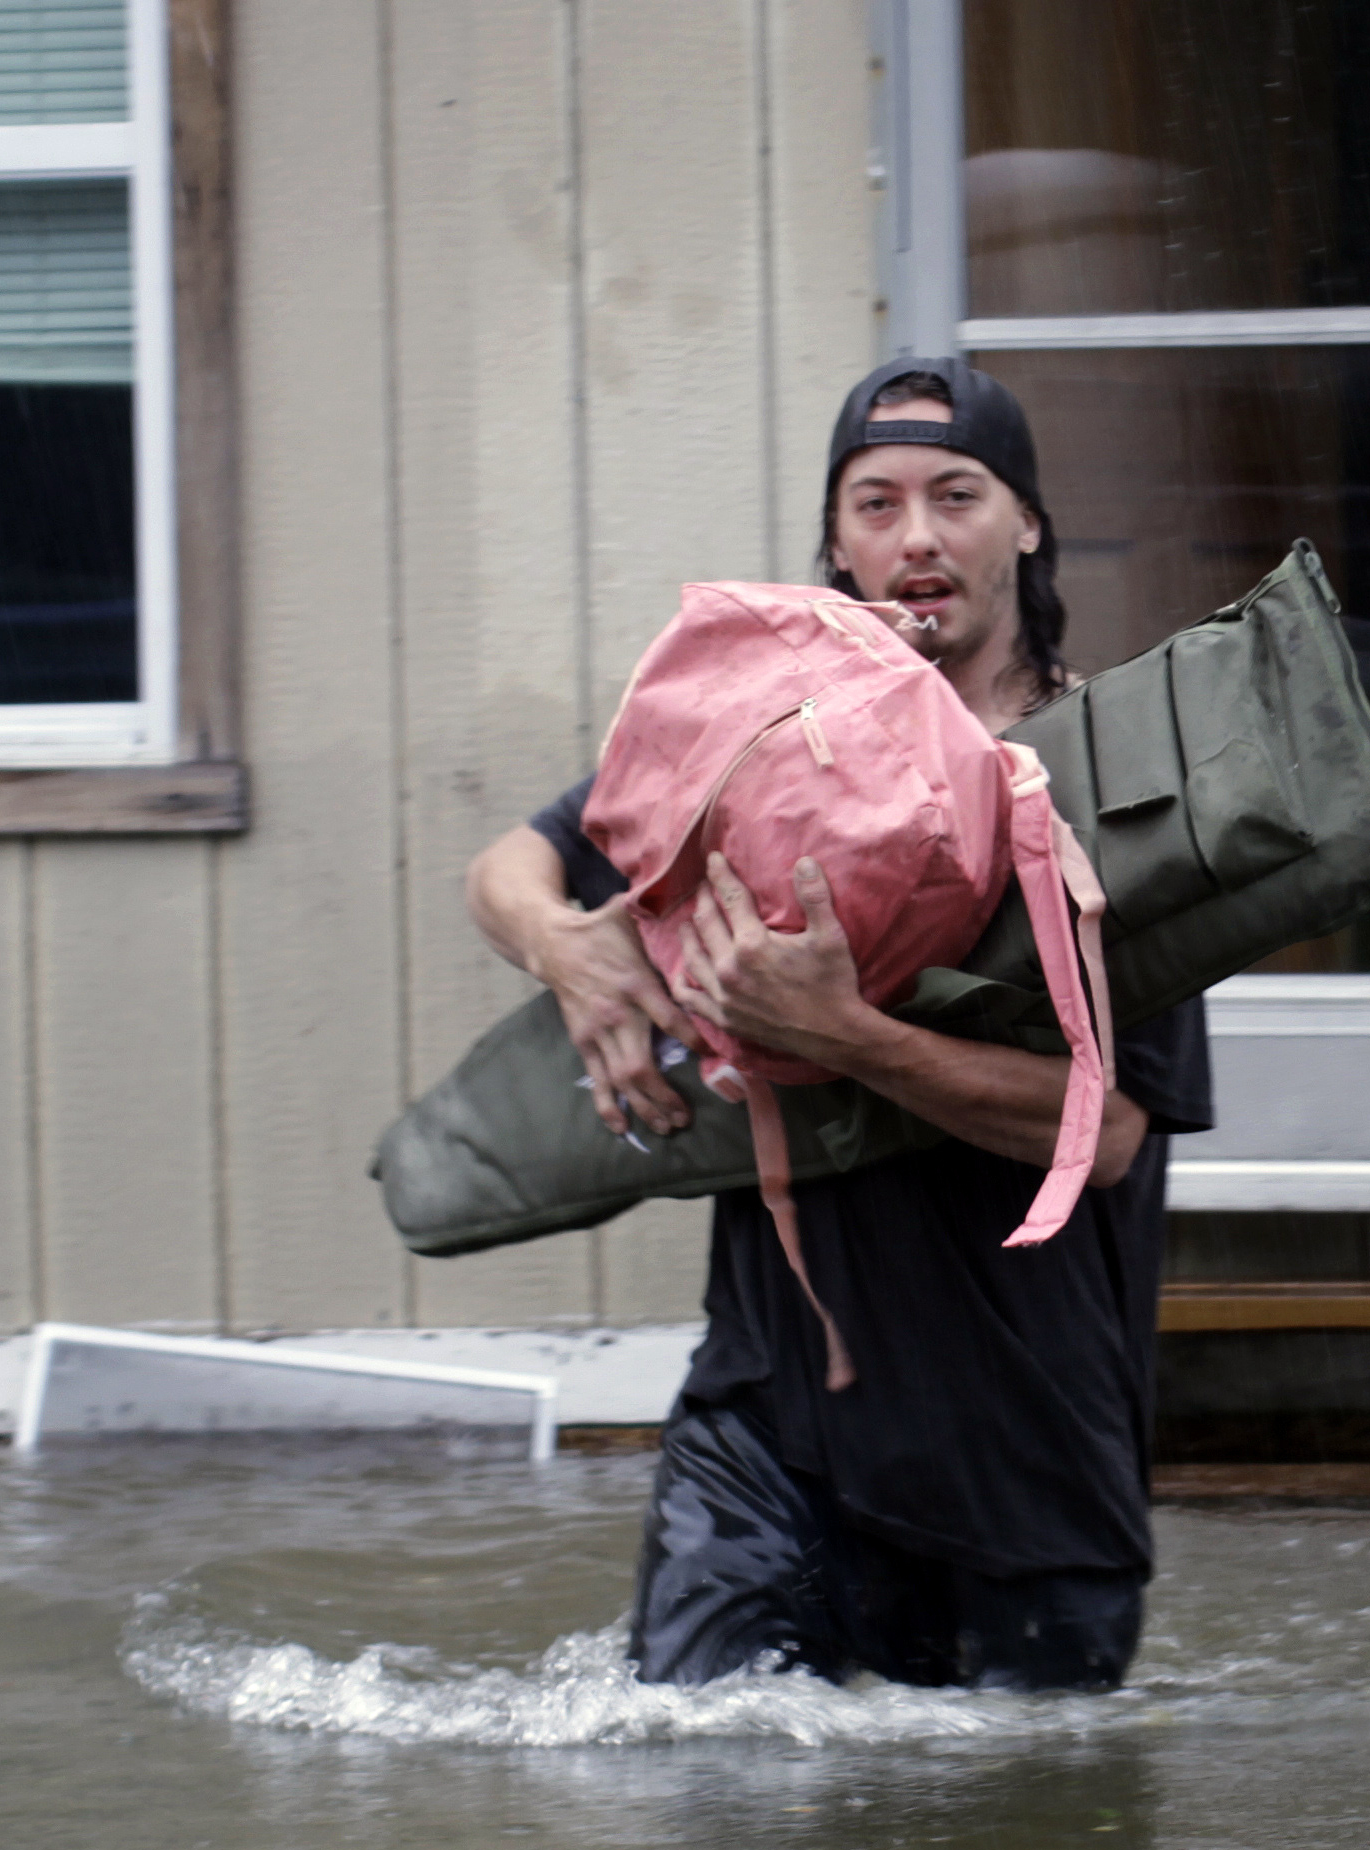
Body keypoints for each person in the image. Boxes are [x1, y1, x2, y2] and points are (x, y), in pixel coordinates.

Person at [463, 359, 1213, 1694]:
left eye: (956, 496)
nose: (915, 536)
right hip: (767, 1431)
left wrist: (850, 1034)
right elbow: (508, 868)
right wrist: (568, 952)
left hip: (1022, 1461)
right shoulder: (760, 748)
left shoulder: (1118, 789)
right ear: (836, 542)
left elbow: (1104, 1140)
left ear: (1028, 524)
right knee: (699, 1797)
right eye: (875, 503)